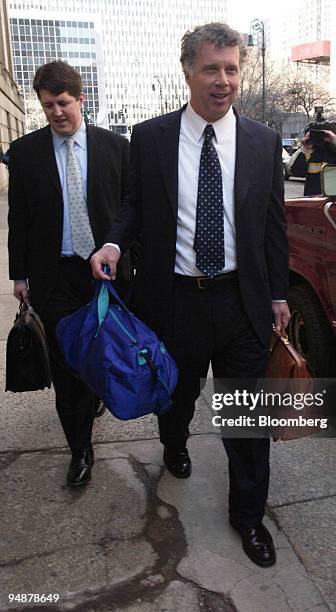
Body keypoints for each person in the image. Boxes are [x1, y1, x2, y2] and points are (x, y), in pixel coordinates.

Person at [91, 22, 290, 567]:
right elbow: (132, 206)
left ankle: (248, 517)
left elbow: (273, 226)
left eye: (231, 69)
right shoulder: (151, 137)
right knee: (175, 397)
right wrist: (111, 242)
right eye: (211, 68)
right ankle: (174, 442)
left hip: (239, 302)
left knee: (247, 419)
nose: (223, 80)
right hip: (172, 301)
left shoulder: (263, 142)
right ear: (188, 72)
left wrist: (277, 294)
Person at [8, 61, 130, 487]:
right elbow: (19, 217)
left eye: (63, 103)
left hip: (106, 275)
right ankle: (80, 448)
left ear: (81, 99)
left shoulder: (116, 148)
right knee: (65, 363)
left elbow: (129, 210)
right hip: (54, 274)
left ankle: (93, 391)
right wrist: (19, 274)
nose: (56, 112)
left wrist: (122, 251)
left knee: (98, 352)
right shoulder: (25, 154)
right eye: (47, 106)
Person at [290, 112, 336, 195]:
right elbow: (295, 171)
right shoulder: (314, 148)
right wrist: (305, 149)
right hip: (315, 202)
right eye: (334, 124)